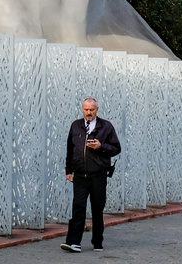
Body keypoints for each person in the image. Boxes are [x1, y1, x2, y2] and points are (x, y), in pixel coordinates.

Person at [61, 97, 121, 253]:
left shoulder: (106, 127)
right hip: (80, 175)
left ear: (97, 109)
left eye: (92, 110)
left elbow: (116, 148)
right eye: (86, 110)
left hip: (98, 175)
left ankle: (97, 242)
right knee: (78, 207)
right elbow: (70, 150)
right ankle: (73, 242)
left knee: (97, 208)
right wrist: (68, 170)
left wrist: (101, 146)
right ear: (82, 109)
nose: (89, 113)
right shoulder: (76, 126)